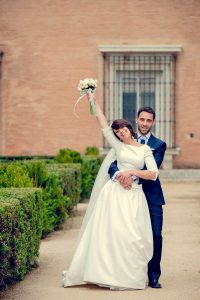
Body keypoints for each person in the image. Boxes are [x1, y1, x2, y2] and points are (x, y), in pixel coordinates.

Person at [62, 98, 159, 290]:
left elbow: (153, 174)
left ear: (130, 128)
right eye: (117, 131)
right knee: (111, 234)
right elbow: (102, 122)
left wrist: (132, 172)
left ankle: (129, 276)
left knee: (132, 236)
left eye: (123, 129)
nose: (120, 132)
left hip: (134, 196)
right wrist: (91, 98)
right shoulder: (118, 146)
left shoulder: (146, 149)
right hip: (114, 195)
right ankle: (104, 273)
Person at [108, 107, 166, 288]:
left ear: (153, 122)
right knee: (130, 235)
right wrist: (120, 176)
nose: (145, 123)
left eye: (149, 121)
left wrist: (130, 176)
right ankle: (132, 272)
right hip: (129, 196)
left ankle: (154, 275)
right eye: (142, 119)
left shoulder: (159, 145)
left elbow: (152, 167)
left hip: (152, 196)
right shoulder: (123, 141)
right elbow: (112, 165)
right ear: (137, 120)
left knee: (155, 235)